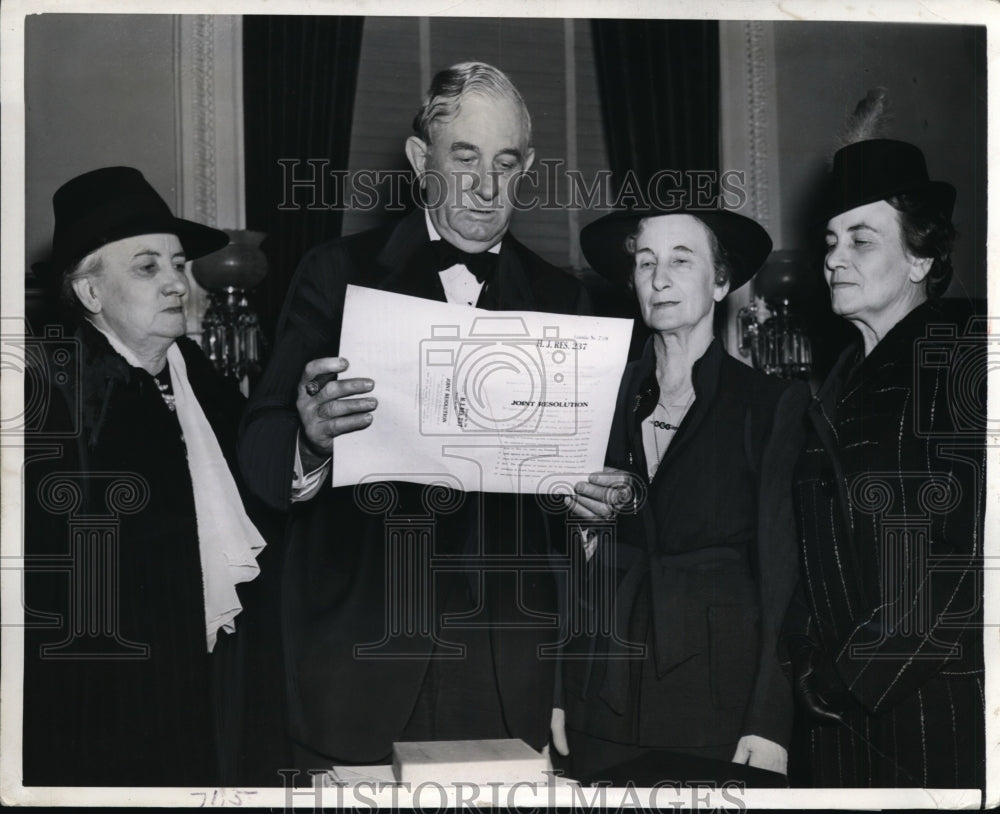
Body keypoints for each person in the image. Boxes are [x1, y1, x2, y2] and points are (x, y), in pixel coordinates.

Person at [238, 61, 591, 769]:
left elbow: (579, 504)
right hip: (360, 661)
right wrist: (310, 441)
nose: (488, 188)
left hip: (506, 667)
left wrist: (596, 500)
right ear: (418, 160)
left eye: (506, 162)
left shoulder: (567, 301)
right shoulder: (334, 273)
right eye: (464, 159)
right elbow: (259, 450)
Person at [22, 166, 277, 786]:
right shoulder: (58, 388)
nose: (176, 283)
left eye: (179, 264)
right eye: (146, 267)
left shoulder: (193, 369)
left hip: (203, 664)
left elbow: (258, 475)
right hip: (104, 682)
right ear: (89, 293)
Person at [559, 206, 809, 782]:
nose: (660, 277)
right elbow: (561, 568)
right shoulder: (593, 397)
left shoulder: (770, 406)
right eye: (645, 262)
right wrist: (553, 696)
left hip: (716, 709)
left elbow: (783, 575)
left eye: (681, 259)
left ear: (721, 282)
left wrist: (770, 719)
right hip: (601, 698)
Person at [786, 139, 985, 787]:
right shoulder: (842, 379)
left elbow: (962, 557)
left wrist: (853, 676)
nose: (834, 258)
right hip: (841, 715)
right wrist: (808, 662)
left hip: (931, 714)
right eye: (830, 241)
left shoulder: (960, 354)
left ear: (921, 257)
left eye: (861, 240)